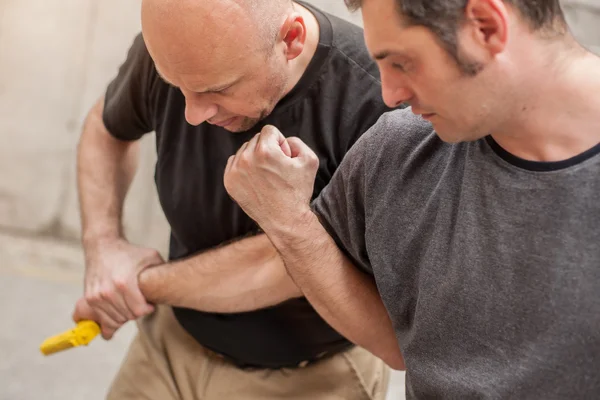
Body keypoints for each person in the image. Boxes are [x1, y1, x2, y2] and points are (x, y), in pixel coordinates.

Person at [223, 0, 600, 398]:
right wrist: (289, 221)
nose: (389, 93)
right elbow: (396, 345)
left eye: (401, 63)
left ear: (486, 27)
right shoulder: (396, 150)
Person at [73, 0, 404, 398]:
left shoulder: (379, 105)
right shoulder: (180, 50)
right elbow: (106, 127)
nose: (192, 114)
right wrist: (103, 246)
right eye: (178, 86)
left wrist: (137, 285)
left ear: (292, 39)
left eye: (217, 89)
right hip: (168, 343)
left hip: (309, 376)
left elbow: (281, 265)